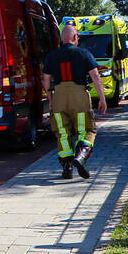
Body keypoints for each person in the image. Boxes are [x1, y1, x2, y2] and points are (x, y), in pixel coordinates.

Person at [42, 25, 107, 179]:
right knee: (86, 129)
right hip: (79, 95)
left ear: (62, 39)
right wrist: (102, 98)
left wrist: (51, 100)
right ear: (75, 37)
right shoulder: (84, 53)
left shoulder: (52, 56)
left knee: (62, 132)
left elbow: (45, 81)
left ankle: (67, 167)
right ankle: (81, 156)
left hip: (59, 95)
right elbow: (95, 77)